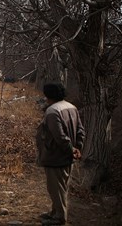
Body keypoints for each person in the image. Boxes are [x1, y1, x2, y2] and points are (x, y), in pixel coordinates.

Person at [36, 83, 85, 225]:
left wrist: (71, 149)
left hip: (55, 155)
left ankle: (60, 217)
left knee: (55, 187)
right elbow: (80, 130)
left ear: (47, 96)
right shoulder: (71, 107)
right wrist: (77, 148)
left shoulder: (52, 111)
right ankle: (55, 212)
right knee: (62, 186)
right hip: (68, 154)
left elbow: (59, 136)